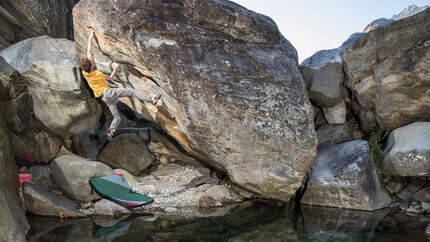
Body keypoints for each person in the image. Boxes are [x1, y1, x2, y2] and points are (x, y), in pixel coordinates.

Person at [80, 30, 160, 138]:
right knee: (131, 92)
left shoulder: (85, 73)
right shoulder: (98, 74)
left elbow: (89, 53)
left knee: (117, 117)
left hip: (104, 98)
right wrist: (116, 69)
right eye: (91, 62)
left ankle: (111, 130)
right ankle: (151, 100)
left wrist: (90, 38)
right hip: (109, 92)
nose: (92, 61)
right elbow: (111, 78)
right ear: (90, 65)